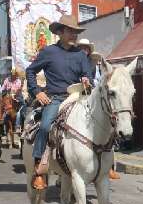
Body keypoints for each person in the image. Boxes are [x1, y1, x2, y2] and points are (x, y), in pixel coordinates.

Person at [27, 14, 93, 190]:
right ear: (61, 32)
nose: (74, 35)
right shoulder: (48, 52)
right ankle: (39, 170)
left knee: (102, 120)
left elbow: (88, 74)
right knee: (45, 126)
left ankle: (107, 164)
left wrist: (87, 79)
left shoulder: (80, 54)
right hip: (56, 98)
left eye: (76, 32)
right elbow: (30, 71)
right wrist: (37, 92)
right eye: (71, 31)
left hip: (78, 97)